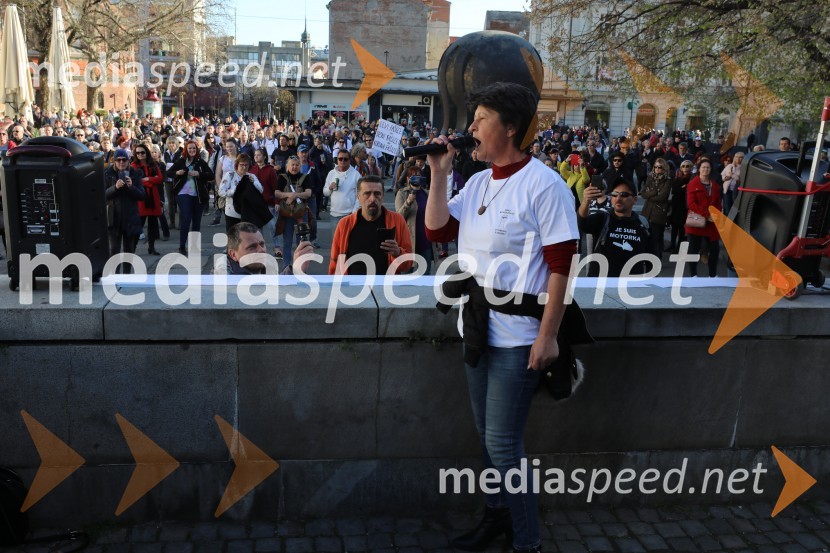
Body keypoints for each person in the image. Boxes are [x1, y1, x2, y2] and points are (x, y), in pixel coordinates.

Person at [424, 82, 580, 553]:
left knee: (505, 445)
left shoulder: (545, 185)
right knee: (488, 438)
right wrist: (438, 174)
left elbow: (562, 266)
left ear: (510, 128)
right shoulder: (476, 182)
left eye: (480, 119)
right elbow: (437, 230)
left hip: (519, 335)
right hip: (476, 326)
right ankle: (497, 516)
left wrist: (548, 336)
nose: (470, 127)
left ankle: (527, 541)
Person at [329, 175, 412, 275]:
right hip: (353, 284)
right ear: (358, 197)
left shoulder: (397, 221)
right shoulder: (345, 224)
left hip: (386, 284)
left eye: (377, 194)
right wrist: (334, 283)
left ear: (383, 196)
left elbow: (408, 263)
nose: (372, 199)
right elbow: (335, 262)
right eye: (367, 194)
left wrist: (398, 253)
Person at [579, 179, 659, 276]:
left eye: (624, 195)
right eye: (614, 194)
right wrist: (586, 201)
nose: (618, 198)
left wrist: (649, 282)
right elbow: (583, 224)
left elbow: (653, 259)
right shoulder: (603, 218)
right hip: (601, 282)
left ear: (634, 199)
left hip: (631, 283)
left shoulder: (644, 224)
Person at [215, 222, 313, 276]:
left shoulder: (266, 262)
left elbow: (277, 286)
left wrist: (296, 269)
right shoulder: (223, 274)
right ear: (233, 254)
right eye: (252, 247)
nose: (261, 250)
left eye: (262, 244)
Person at [105, 149, 146, 270]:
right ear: (114, 161)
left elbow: (141, 196)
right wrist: (115, 187)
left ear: (129, 161)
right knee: (114, 250)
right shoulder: (107, 173)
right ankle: (114, 276)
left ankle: (127, 276)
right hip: (114, 217)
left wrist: (131, 186)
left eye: (124, 160)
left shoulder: (135, 173)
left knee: (129, 251)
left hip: (130, 217)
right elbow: (103, 195)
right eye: (118, 160)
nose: (121, 162)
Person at [168, 140, 212, 254]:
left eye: (194, 148)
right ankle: (182, 247)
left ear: (197, 149)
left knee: (196, 222)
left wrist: (199, 174)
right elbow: (168, 173)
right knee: (186, 219)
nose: (192, 150)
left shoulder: (200, 162)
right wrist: (177, 173)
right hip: (183, 194)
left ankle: (194, 247)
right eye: (190, 148)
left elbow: (211, 175)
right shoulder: (181, 161)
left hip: (198, 195)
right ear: (186, 150)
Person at [686, 157, 723, 277]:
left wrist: (716, 214)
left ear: (711, 169)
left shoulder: (715, 186)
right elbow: (691, 204)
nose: (705, 169)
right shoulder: (693, 184)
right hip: (696, 221)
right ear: (699, 169)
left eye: (708, 167)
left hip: (711, 223)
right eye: (703, 167)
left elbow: (718, 203)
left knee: (715, 250)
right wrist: (707, 215)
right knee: (693, 249)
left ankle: (713, 275)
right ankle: (693, 275)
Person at [275, 156, 312, 269]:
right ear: (288, 166)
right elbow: (277, 193)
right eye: (292, 165)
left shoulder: (305, 177)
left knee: (302, 242)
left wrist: (295, 195)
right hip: (287, 214)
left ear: (300, 166)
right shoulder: (282, 177)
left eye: (297, 165)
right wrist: (288, 195)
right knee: (287, 242)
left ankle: (300, 267)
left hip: (301, 213)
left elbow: (308, 193)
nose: (294, 167)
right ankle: (286, 266)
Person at [395, 171, 433, 274]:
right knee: (407, 274)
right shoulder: (402, 193)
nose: (417, 178)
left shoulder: (427, 193)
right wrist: (408, 202)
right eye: (413, 176)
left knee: (426, 274)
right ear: (408, 178)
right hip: (409, 240)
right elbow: (399, 217)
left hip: (425, 240)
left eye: (419, 176)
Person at [131, 144, 163, 255]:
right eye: (137, 153)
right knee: (139, 225)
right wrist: (151, 181)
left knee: (153, 225)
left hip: (153, 197)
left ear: (146, 153)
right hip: (141, 198)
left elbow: (160, 179)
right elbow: (135, 180)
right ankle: (132, 248)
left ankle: (151, 247)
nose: (140, 155)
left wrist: (148, 179)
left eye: (142, 152)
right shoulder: (134, 165)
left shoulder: (153, 164)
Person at [218, 153, 263, 232]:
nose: (244, 167)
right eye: (242, 165)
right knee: (233, 237)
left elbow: (261, 190)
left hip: (247, 213)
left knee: (246, 237)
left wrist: (254, 183)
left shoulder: (251, 176)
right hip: (232, 213)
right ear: (237, 165)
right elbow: (221, 192)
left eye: (246, 165)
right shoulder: (230, 175)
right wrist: (234, 191)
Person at [639, 157, 672, 258]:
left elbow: (662, 197)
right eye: (655, 167)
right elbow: (643, 193)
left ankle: (657, 258)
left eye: (659, 167)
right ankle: (646, 258)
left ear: (664, 168)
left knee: (657, 237)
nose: (657, 169)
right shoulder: (650, 177)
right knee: (645, 236)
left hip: (659, 212)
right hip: (647, 211)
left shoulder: (667, 180)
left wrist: (650, 194)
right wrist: (655, 192)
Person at [323, 148, 361, 228]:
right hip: (334, 215)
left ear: (349, 160)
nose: (342, 161)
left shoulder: (356, 175)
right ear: (337, 160)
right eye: (340, 159)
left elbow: (360, 196)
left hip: (349, 214)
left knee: (349, 236)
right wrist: (330, 188)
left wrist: (354, 212)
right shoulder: (331, 173)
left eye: (345, 159)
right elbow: (325, 192)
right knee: (335, 236)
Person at [668, 160, 693, 253]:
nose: (685, 168)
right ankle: (672, 245)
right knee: (674, 226)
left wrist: (680, 188)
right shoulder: (678, 177)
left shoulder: (691, 178)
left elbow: (683, 190)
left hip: (684, 205)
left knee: (681, 228)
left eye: (687, 166)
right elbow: (674, 189)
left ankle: (679, 247)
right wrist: (680, 187)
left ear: (691, 168)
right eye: (683, 166)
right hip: (675, 204)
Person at [721, 151, 744, 215]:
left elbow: (740, 179)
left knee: (734, 207)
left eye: (740, 157)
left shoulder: (743, 168)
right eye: (736, 157)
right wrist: (725, 178)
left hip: (737, 190)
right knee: (727, 207)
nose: (738, 159)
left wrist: (732, 175)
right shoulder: (730, 166)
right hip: (727, 189)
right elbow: (723, 175)